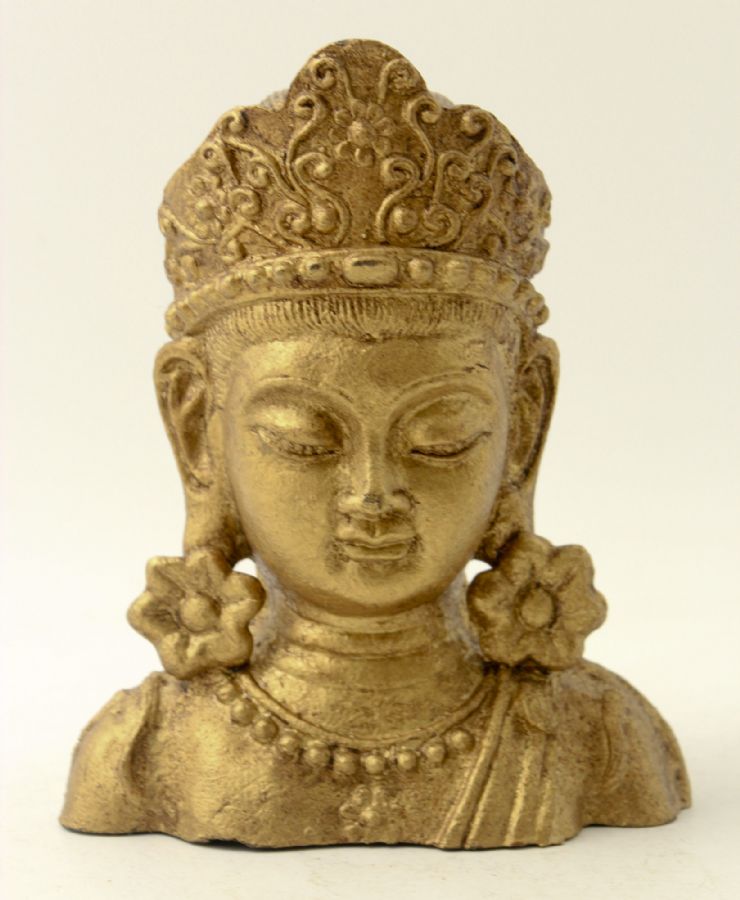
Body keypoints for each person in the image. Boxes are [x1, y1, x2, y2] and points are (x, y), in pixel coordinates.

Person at [60, 39, 689, 848]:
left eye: (441, 439)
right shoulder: (147, 752)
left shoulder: (596, 737)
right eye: (301, 441)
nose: (372, 494)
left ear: (523, 426)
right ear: (195, 429)